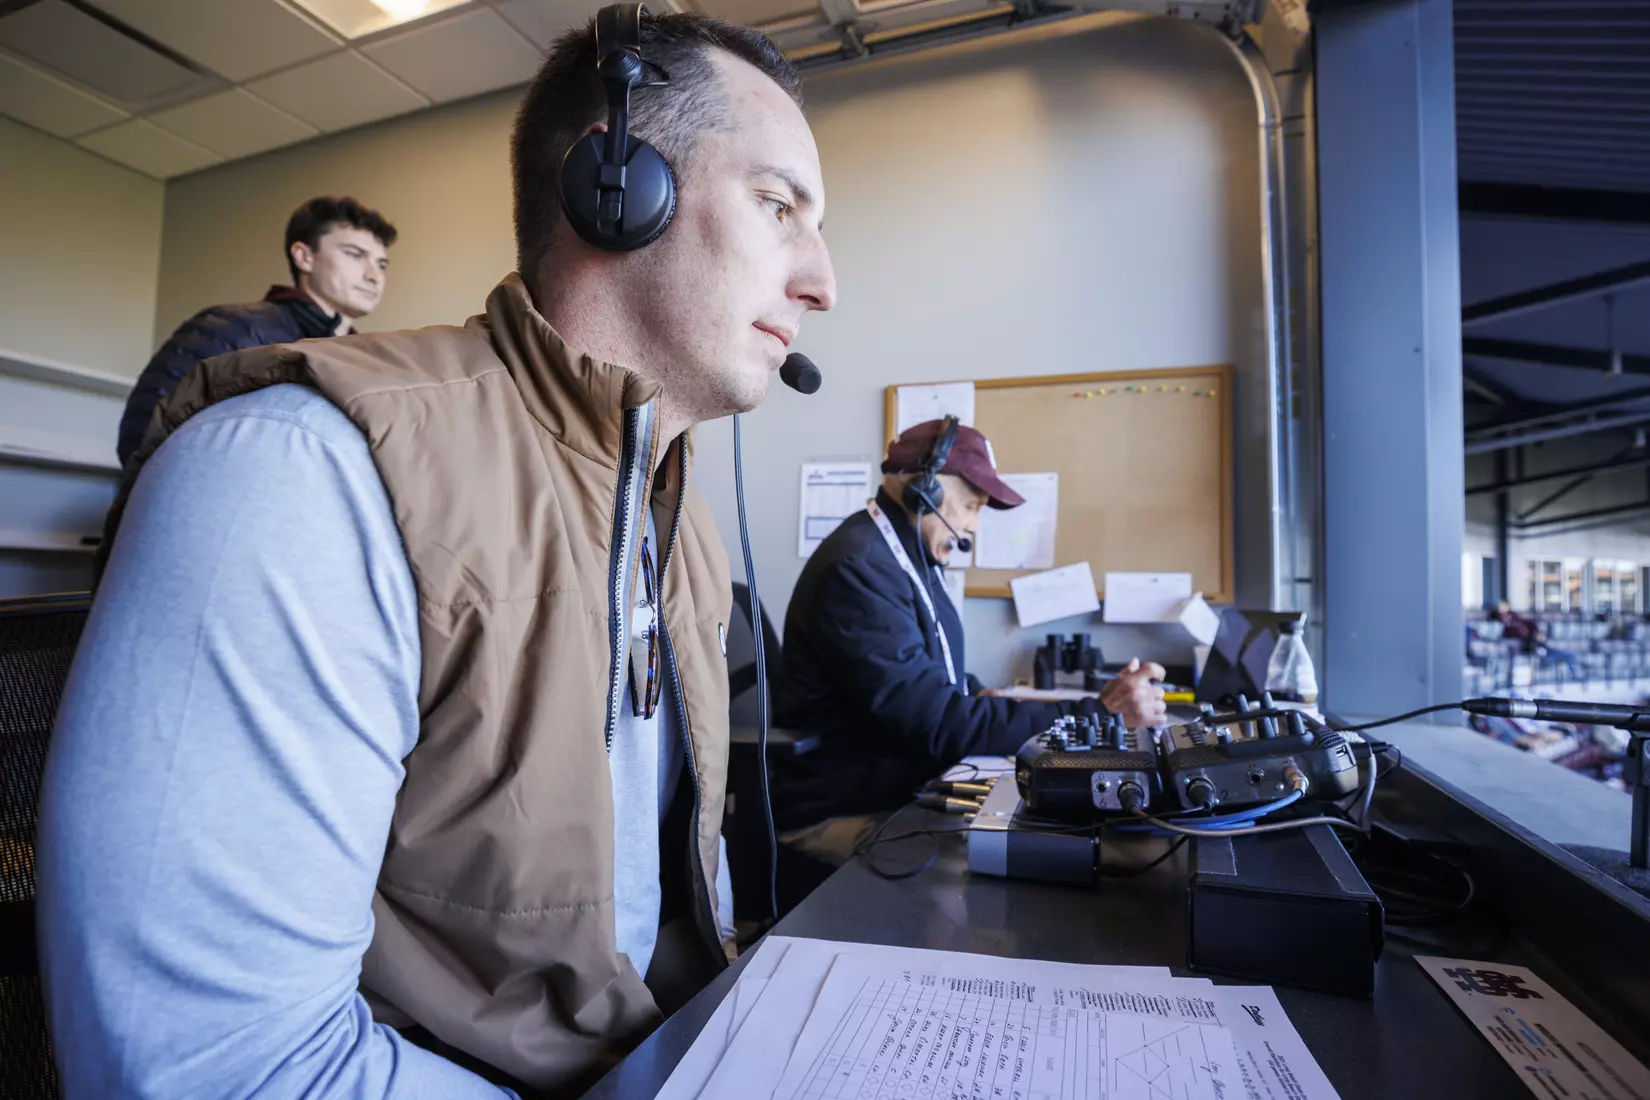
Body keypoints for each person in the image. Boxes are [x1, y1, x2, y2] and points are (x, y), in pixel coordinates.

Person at [40, 9, 833, 1098]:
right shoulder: (295, 468)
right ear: (618, 188)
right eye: (779, 205)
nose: (822, 282)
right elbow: (217, 1069)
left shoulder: (680, 528)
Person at [772, 418, 1167, 865]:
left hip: (894, 786)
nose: (975, 526)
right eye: (973, 505)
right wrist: (1097, 713)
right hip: (844, 809)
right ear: (927, 492)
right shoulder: (859, 570)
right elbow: (937, 722)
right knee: (1020, 862)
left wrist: (979, 691)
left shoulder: (906, 558)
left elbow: (928, 671)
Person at [115, 195, 397, 465]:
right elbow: (143, 433)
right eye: (355, 255)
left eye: (381, 264)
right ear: (304, 257)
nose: (373, 276)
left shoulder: (365, 363)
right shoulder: (233, 327)